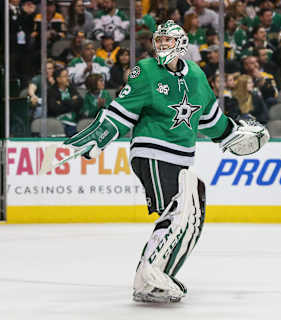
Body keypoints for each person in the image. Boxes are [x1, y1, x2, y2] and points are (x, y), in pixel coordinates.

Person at [56, 20, 269, 303]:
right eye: (159, 41)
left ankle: (158, 275)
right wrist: (96, 137)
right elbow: (121, 114)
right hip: (151, 151)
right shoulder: (144, 71)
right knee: (180, 208)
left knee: (192, 212)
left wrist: (234, 135)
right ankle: (149, 276)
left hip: (181, 158)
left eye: (168, 41)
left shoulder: (196, 76)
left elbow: (211, 120)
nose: (162, 46)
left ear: (181, 44)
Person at [47, 67, 83, 136]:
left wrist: (63, 102)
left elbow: (80, 103)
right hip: (58, 122)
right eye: (65, 76)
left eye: (67, 76)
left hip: (74, 121)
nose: (68, 78)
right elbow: (54, 109)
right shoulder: (51, 91)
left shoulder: (71, 88)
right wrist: (71, 102)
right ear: (58, 79)